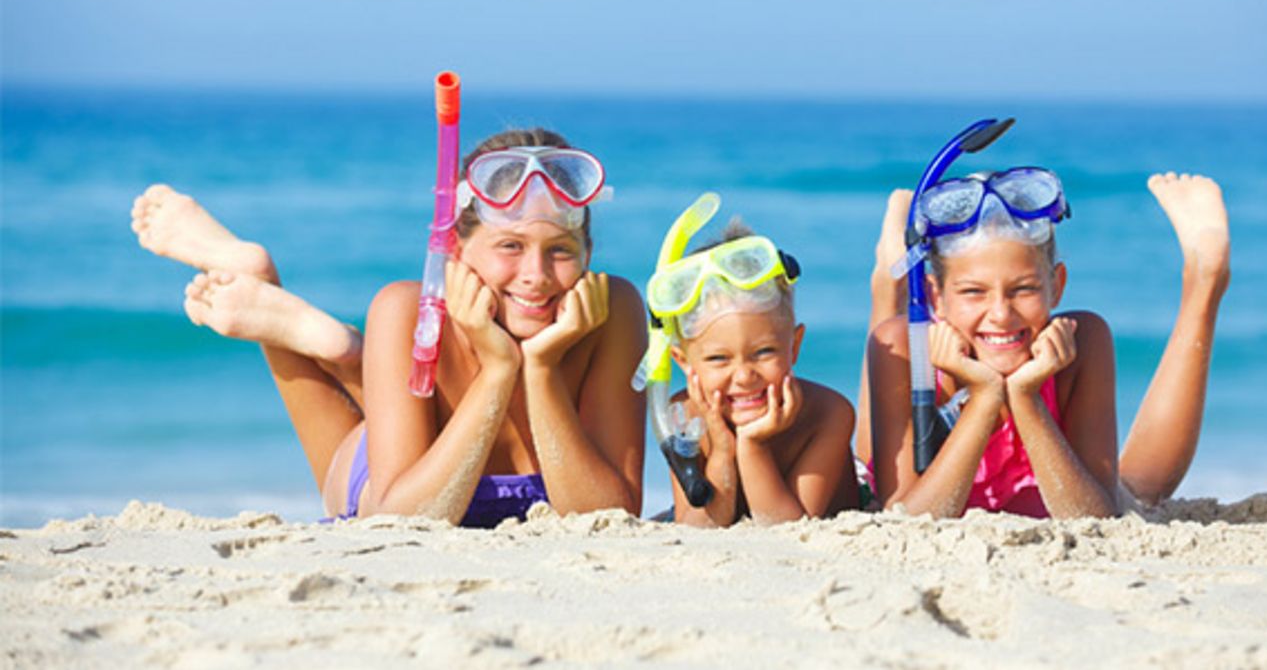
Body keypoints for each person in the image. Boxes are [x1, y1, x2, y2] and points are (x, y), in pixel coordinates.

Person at [130, 129, 647, 526]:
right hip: (389, 486)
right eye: (510, 247)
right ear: (458, 251)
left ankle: (347, 351)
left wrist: (539, 369)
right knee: (356, 459)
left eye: (560, 251)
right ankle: (268, 289)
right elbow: (404, 519)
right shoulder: (406, 310)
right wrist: (496, 371)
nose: (536, 276)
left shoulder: (612, 311)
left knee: (387, 396)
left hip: (428, 449)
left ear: (588, 255)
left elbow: (606, 517)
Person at [861, 158, 1230, 519]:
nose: (1002, 314)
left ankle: (1205, 280)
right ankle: (888, 281)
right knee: (870, 461)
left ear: (1057, 285)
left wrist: (1025, 397)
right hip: (915, 392)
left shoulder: (1082, 340)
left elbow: (1097, 517)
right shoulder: (911, 348)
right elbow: (907, 519)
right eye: (974, 292)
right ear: (935, 297)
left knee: (1138, 494)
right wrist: (984, 397)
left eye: (1024, 290)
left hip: (1047, 474)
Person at [639, 196, 860, 526]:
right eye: (718, 358)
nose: (743, 376)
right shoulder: (683, 417)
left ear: (795, 345)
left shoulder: (828, 414)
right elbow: (699, 527)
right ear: (683, 361)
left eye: (764, 352)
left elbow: (785, 529)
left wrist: (752, 445)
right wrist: (722, 453)